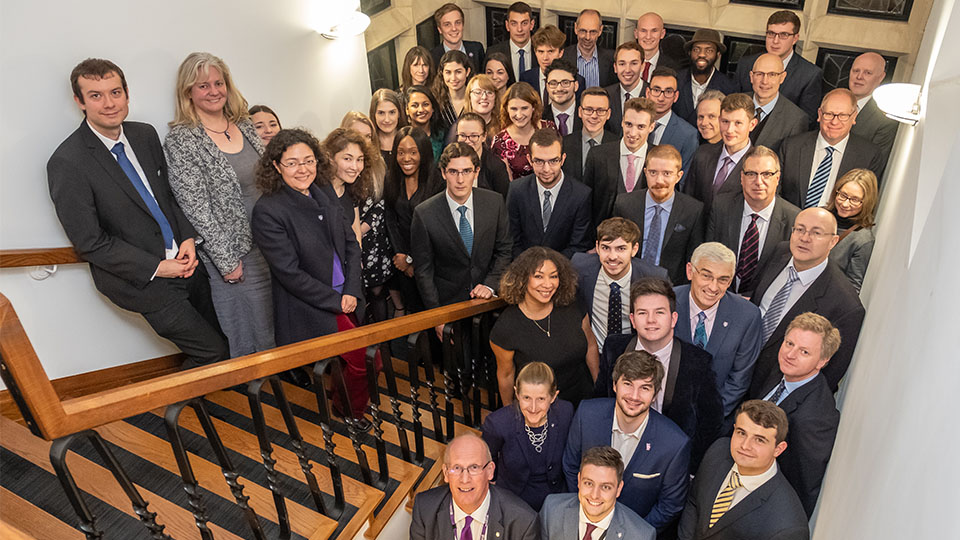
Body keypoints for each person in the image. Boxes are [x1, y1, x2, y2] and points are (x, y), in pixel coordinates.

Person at [47, 58, 228, 368]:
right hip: (144, 281)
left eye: (115, 92)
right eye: (95, 95)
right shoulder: (67, 162)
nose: (108, 103)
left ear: (127, 94)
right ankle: (173, 413)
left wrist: (187, 238)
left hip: (188, 263)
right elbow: (91, 242)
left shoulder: (144, 135)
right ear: (79, 101)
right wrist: (158, 267)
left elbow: (169, 196)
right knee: (212, 352)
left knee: (224, 342)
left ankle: (215, 410)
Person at [250, 128, 371, 426]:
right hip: (314, 304)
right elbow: (290, 274)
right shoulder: (267, 210)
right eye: (292, 163)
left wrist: (352, 290)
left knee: (363, 359)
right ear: (276, 166)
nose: (302, 169)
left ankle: (344, 398)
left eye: (308, 160)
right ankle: (350, 413)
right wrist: (338, 300)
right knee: (362, 361)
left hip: (348, 293)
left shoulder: (323, 192)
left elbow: (350, 246)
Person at [164, 52, 275, 358]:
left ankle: (283, 383)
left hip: (272, 241)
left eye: (218, 82)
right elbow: (195, 207)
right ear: (188, 92)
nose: (213, 91)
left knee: (275, 322)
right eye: (203, 86)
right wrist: (226, 261)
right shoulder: (182, 140)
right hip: (234, 251)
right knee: (247, 330)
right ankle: (256, 393)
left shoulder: (245, 124)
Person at [599, 278, 722, 472]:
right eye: (642, 313)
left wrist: (688, 468)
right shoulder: (614, 348)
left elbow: (710, 422)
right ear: (632, 320)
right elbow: (600, 401)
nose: (651, 320)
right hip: (616, 454)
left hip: (669, 462)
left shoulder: (698, 362)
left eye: (659, 312)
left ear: (673, 318)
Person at [563, 351, 691, 530]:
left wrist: (632, 533)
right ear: (615, 385)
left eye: (645, 388)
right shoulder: (586, 414)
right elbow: (570, 466)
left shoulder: (674, 444)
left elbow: (670, 505)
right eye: (628, 384)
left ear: (655, 394)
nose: (634, 396)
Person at [746, 207, 865, 394]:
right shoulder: (780, 252)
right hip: (737, 368)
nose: (804, 238)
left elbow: (827, 377)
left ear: (833, 241)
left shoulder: (845, 306)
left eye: (816, 233)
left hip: (770, 392)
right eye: (799, 229)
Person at [751, 313, 841, 517]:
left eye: (804, 351)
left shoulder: (813, 419)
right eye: (789, 343)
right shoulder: (782, 372)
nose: (790, 354)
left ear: (822, 361)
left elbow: (802, 485)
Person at [677, 400, 809, 540]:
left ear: (778, 449)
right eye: (741, 433)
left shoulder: (789, 527)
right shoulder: (719, 451)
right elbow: (694, 501)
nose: (745, 446)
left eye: (759, 440)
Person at [411, 142, 512, 313]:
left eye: (466, 171)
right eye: (453, 172)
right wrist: (437, 316)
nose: (460, 179)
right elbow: (424, 272)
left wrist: (490, 285)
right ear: (443, 173)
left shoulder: (495, 203)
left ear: (476, 172)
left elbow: (505, 250)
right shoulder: (424, 214)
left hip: (489, 303)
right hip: (448, 306)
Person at [490, 247, 597, 406]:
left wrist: (598, 387)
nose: (548, 284)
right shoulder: (506, 328)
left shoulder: (572, 304)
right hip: (541, 407)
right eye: (539, 276)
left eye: (553, 276)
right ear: (522, 279)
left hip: (584, 398)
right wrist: (510, 414)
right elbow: (506, 376)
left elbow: (590, 346)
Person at [673, 243, 762, 419]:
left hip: (715, 419)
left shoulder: (747, 316)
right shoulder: (666, 302)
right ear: (690, 271)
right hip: (663, 413)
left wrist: (708, 417)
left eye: (723, 279)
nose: (713, 287)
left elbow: (739, 379)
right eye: (706, 276)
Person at [706, 145, 800, 294]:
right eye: (751, 174)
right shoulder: (721, 206)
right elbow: (709, 254)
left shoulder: (794, 219)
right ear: (742, 178)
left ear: (777, 178)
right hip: (721, 296)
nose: (758, 181)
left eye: (766, 174)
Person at [482, 362, 574, 511]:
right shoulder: (498, 423)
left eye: (541, 399)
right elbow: (487, 463)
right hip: (514, 501)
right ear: (516, 394)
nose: (533, 408)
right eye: (526, 397)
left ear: (553, 397)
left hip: (557, 500)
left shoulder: (566, 413)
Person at [410, 434, 540, 540]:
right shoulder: (424, 508)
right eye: (457, 468)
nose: (465, 479)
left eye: (474, 468)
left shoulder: (523, 522)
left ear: (490, 471)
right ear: (446, 473)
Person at [778, 88, 886, 209]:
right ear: (819, 114)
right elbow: (777, 193)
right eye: (829, 114)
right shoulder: (791, 147)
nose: (834, 122)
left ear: (854, 116)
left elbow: (866, 205)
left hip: (838, 226)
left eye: (843, 115)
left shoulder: (869, 156)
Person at [572, 218, 669, 352]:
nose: (612, 257)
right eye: (606, 248)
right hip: (595, 353)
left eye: (621, 249)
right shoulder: (579, 267)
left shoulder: (655, 278)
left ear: (634, 249)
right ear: (597, 247)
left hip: (637, 354)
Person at [613, 145, 704, 284]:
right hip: (629, 283)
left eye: (667, 173)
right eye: (653, 172)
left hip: (671, 287)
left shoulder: (693, 210)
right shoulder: (625, 204)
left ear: (679, 176)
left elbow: (693, 258)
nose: (659, 181)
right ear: (645, 172)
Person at [383, 126, 442, 314]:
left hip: (432, 265)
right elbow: (391, 219)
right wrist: (402, 255)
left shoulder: (437, 181)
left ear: (423, 153)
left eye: (413, 152)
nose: (406, 158)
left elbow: (437, 228)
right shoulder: (391, 179)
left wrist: (413, 260)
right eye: (401, 152)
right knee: (413, 314)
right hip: (402, 265)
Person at [507, 128, 592, 258]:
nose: (546, 169)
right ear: (530, 160)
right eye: (539, 161)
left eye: (553, 161)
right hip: (525, 267)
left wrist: (550, 267)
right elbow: (512, 240)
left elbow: (578, 245)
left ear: (562, 159)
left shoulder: (581, 195)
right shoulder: (517, 190)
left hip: (563, 269)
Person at [540, 446, 656, 540]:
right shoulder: (552, 510)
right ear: (579, 481)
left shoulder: (642, 535)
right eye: (589, 483)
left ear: (619, 488)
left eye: (605, 487)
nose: (595, 495)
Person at [736, 10, 823, 123]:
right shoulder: (746, 64)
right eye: (771, 34)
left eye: (783, 35)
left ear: (795, 38)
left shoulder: (810, 74)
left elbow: (806, 121)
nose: (775, 41)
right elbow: (733, 105)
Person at [583, 97, 657, 227]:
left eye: (641, 127)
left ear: (651, 127)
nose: (632, 133)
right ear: (622, 122)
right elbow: (586, 204)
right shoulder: (598, 155)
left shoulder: (658, 158)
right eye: (629, 124)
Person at [684, 93, 759, 214]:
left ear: (752, 125)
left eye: (738, 123)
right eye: (725, 121)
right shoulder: (702, 154)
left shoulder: (758, 164)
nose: (730, 130)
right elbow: (688, 199)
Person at [491, 82, 557, 180]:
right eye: (514, 109)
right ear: (506, 109)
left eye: (524, 108)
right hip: (518, 193)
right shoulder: (500, 141)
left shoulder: (549, 127)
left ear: (533, 107)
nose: (519, 115)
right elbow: (506, 184)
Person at [826, 169, 878, 291]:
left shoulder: (862, 239)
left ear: (867, 202)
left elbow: (852, 287)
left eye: (854, 200)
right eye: (843, 195)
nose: (845, 204)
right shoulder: (819, 215)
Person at [673, 29, 737, 126]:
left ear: (718, 55)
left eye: (709, 50)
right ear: (690, 53)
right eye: (696, 50)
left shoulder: (729, 87)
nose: (702, 54)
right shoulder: (676, 80)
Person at [747, 53, 809, 153]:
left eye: (772, 75)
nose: (765, 81)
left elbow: (789, 160)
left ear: (782, 77)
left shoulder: (796, 119)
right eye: (759, 74)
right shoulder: (733, 102)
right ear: (751, 76)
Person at [645, 67, 699, 173]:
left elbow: (684, 179)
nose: (661, 98)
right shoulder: (633, 123)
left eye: (668, 92)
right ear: (647, 93)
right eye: (656, 90)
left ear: (676, 96)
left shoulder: (688, 134)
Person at [848, 52, 898, 159]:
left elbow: (875, 162)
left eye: (868, 73)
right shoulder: (832, 101)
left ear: (881, 77)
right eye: (856, 71)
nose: (859, 77)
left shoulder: (885, 119)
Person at [561, 87, 617, 179]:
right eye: (588, 109)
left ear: (608, 114)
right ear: (580, 112)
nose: (594, 115)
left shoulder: (617, 145)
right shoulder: (564, 144)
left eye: (601, 110)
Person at [456, 112, 510, 198]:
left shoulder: (496, 166)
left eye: (473, 136)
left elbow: (504, 200)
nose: (467, 141)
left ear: (484, 136)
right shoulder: (449, 163)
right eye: (462, 135)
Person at [560, 9, 616, 88]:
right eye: (583, 31)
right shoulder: (562, 57)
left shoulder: (612, 59)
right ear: (575, 28)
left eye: (593, 32)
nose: (588, 37)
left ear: (600, 30)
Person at [486, 2, 538, 81]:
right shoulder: (493, 52)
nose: (519, 29)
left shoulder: (542, 52)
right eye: (514, 23)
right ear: (507, 26)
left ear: (532, 25)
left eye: (524, 23)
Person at [604, 41, 647, 136]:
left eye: (634, 63)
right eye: (622, 64)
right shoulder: (606, 95)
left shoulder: (652, 96)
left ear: (643, 66)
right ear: (615, 67)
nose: (627, 70)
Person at [429, 3, 485, 72]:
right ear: (440, 29)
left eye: (458, 23)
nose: (454, 28)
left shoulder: (477, 49)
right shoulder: (432, 57)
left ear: (463, 25)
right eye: (447, 24)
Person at [520, 25, 568, 104]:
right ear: (535, 52)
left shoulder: (575, 80)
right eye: (541, 52)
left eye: (550, 51)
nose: (545, 58)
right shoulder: (526, 78)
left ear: (561, 53)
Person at [634, 12, 682, 83]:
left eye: (654, 31)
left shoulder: (674, 68)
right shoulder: (622, 64)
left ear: (662, 34)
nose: (648, 36)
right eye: (643, 31)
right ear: (636, 34)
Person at [433, 50, 473, 130]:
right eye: (448, 72)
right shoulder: (435, 100)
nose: (453, 78)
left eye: (458, 72)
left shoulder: (476, 98)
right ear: (442, 73)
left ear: (467, 72)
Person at [403, 85, 445, 160]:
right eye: (415, 105)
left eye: (425, 104)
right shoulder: (402, 137)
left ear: (433, 108)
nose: (421, 110)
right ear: (407, 110)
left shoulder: (443, 135)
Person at [541, 60, 581, 136]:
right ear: (547, 87)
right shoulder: (540, 117)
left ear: (576, 86)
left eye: (565, 83)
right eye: (553, 83)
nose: (559, 89)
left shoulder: (588, 115)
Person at [370, 88, 406, 164]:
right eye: (381, 113)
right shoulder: (368, 143)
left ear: (399, 113)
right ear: (374, 114)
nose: (387, 119)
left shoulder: (409, 138)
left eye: (392, 112)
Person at [461, 74, 502, 140]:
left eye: (489, 92)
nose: (484, 97)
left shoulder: (504, 127)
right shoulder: (460, 127)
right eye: (478, 92)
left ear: (495, 97)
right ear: (469, 97)